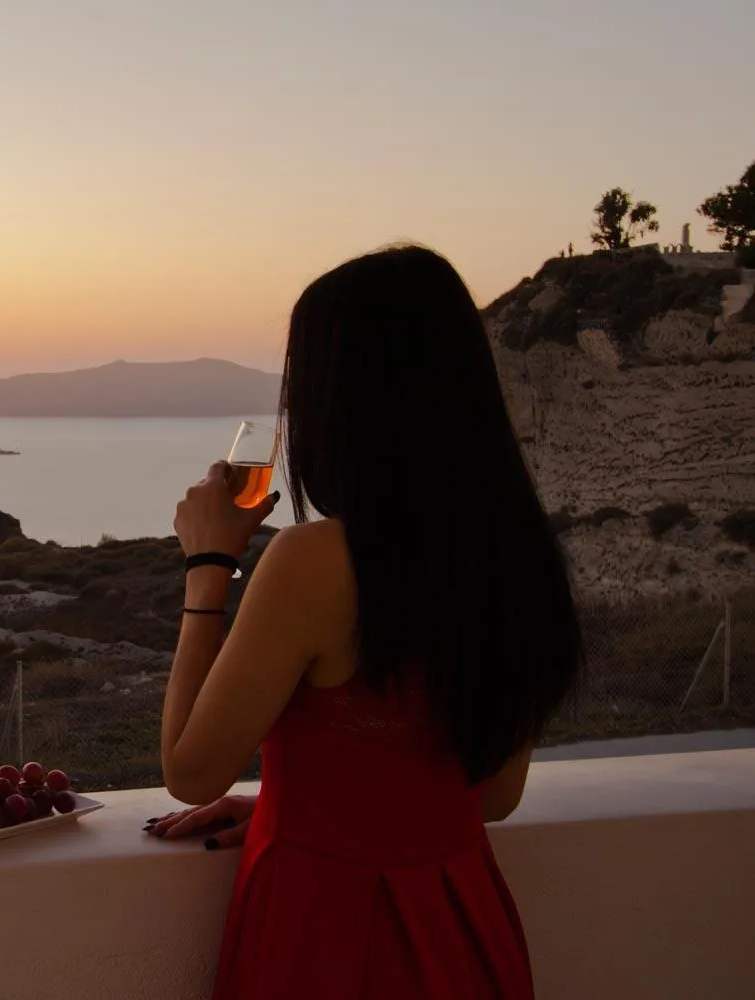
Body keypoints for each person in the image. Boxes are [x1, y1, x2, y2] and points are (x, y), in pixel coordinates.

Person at [153, 245, 580, 998]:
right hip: (461, 931)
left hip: (323, 934)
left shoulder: (312, 561)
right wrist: (303, 801)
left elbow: (190, 773)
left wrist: (209, 563)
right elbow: (489, 797)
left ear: (338, 399)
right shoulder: (515, 552)